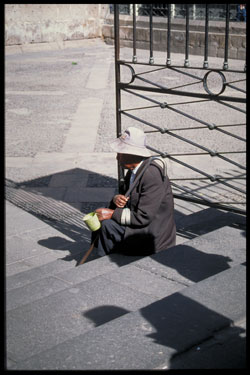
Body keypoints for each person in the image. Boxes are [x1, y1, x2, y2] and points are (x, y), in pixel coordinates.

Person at [92, 127, 176, 257]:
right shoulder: (134, 172)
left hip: (152, 235)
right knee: (101, 220)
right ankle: (105, 255)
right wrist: (116, 199)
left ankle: (105, 261)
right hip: (142, 225)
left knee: (107, 225)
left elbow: (144, 217)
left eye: (120, 153)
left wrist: (112, 214)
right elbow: (130, 199)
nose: (117, 157)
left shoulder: (151, 175)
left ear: (132, 154)